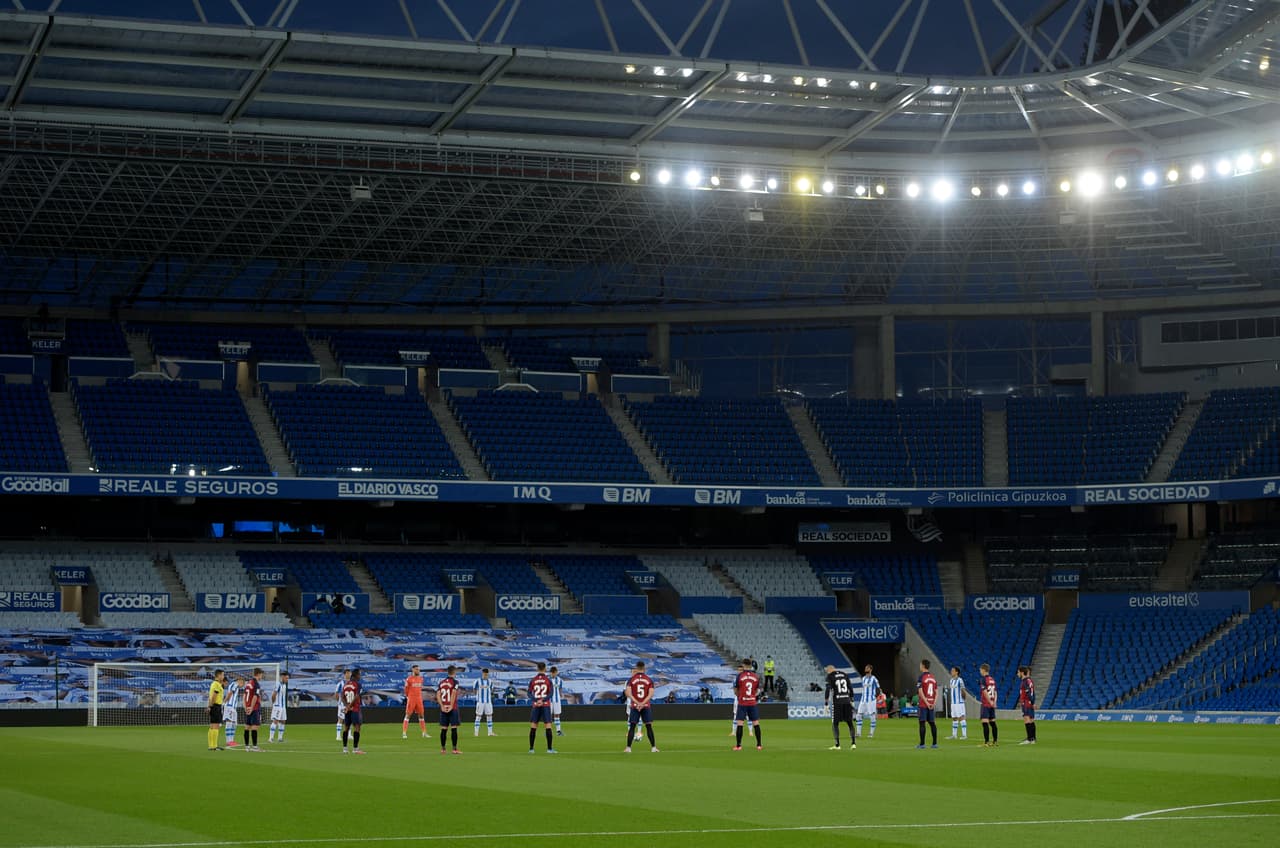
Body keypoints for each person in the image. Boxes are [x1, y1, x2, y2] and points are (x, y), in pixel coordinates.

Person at [624, 660, 659, 753]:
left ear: (636, 668)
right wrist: (643, 703)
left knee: (632, 726)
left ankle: (628, 748)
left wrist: (637, 702)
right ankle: (653, 747)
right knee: (648, 726)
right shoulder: (648, 679)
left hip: (635, 705)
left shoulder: (631, 680)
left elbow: (627, 693)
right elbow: (651, 694)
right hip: (646, 706)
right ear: (644, 668)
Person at [823, 664, 856, 751]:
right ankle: (853, 743)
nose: (827, 672)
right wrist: (852, 699)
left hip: (837, 702)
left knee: (835, 723)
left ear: (830, 670)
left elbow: (828, 689)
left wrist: (826, 703)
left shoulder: (830, 676)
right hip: (847, 700)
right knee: (850, 723)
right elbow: (850, 688)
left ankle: (837, 745)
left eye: (827, 671)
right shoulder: (844, 674)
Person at [733, 658, 763, 751]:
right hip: (752, 702)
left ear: (743, 665)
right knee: (756, 723)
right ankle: (759, 745)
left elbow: (735, 689)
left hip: (743, 702)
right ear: (751, 665)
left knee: (740, 723)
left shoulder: (740, 676)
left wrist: (740, 696)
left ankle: (738, 746)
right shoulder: (755, 676)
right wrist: (753, 696)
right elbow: (757, 690)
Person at [527, 662, 557, 754]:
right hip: (545, 705)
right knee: (548, 726)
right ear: (545, 669)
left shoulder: (533, 680)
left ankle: (531, 749)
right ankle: (549, 749)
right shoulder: (548, 680)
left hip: (536, 705)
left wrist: (536, 700)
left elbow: (529, 693)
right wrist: (543, 700)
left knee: (533, 727)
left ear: (537, 669)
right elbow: (551, 693)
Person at [437, 665, 462, 754]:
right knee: (454, 728)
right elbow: (454, 693)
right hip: (453, 708)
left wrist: (442, 706)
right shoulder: (455, 682)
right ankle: (454, 749)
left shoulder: (441, 682)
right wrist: (451, 706)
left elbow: (438, 695)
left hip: (443, 708)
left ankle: (443, 749)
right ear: (454, 672)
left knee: (444, 729)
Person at [340, 669, 365, 754]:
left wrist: (346, 706)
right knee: (357, 727)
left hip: (348, 709)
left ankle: (345, 749)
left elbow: (342, 696)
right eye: (359, 674)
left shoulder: (346, 684)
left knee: (346, 728)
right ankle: (355, 749)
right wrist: (350, 706)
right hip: (355, 709)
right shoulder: (358, 684)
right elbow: (357, 696)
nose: (360, 676)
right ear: (356, 675)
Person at [916, 659, 939, 749]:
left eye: (920, 665)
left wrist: (926, 702)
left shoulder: (921, 677)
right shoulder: (933, 677)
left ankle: (922, 744)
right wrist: (933, 703)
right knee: (932, 723)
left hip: (923, 704)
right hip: (931, 703)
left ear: (923, 666)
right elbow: (936, 692)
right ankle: (934, 743)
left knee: (922, 723)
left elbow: (920, 691)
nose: (920, 666)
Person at [242, 667, 264, 751]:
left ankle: (247, 747)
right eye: (261, 674)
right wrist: (251, 707)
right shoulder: (256, 684)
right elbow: (255, 696)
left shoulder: (248, 683)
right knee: (255, 726)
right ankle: (255, 747)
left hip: (247, 707)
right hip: (254, 708)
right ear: (258, 674)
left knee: (247, 726)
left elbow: (244, 696)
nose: (262, 676)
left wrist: (245, 707)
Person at [403, 664, 427, 739]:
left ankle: (424, 733)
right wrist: (408, 697)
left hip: (419, 699)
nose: (418, 671)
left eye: (419, 669)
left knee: (421, 715)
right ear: (413, 670)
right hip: (411, 698)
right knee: (408, 715)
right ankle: (404, 733)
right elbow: (406, 690)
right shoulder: (409, 679)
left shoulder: (421, 679)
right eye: (416, 669)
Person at [856, 663, 880, 739]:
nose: (866, 669)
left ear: (870, 670)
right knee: (858, 715)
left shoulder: (874, 679)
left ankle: (871, 733)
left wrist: (874, 697)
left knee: (872, 716)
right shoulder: (863, 679)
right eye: (865, 668)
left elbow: (878, 689)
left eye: (867, 668)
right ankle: (858, 733)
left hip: (871, 700)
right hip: (863, 700)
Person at [978, 662, 999, 747]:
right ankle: (995, 741)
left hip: (986, 704)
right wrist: (994, 702)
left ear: (983, 670)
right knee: (993, 722)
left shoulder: (983, 679)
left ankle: (986, 742)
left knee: (985, 722)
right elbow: (995, 692)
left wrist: (989, 701)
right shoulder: (992, 679)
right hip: (992, 704)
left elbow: (984, 691)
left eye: (980, 670)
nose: (980, 671)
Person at [1017, 665, 1037, 745]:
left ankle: (1029, 739)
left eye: (1018, 672)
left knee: (1027, 719)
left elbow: (1028, 692)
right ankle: (1033, 738)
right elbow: (1033, 693)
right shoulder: (1030, 680)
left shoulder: (1025, 681)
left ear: (1022, 673)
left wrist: (1032, 702)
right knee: (1031, 720)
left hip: (1026, 702)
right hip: (1029, 702)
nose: (1017, 674)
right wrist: (1033, 702)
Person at [947, 666, 968, 741]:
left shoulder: (960, 680)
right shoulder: (951, 680)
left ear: (957, 672)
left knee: (961, 717)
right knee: (954, 718)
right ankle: (954, 735)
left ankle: (964, 735)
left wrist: (964, 698)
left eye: (952, 671)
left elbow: (963, 690)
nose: (951, 671)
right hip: (953, 703)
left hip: (959, 702)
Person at [473, 668, 496, 737]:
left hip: (488, 702)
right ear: (482, 673)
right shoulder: (477, 681)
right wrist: (478, 696)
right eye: (484, 673)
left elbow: (492, 690)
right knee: (478, 716)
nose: (485, 675)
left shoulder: (490, 681)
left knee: (489, 716)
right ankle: (476, 733)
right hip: (480, 702)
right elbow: (474, 690)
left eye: (487, 674)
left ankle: (490, 732)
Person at [206, 669, 225, 751]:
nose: (223, 677)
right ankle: (214, 746)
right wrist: (211, 706)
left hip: (213, 706)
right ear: (219, 675)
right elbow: (214, 696)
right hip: (216, 706)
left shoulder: (213, 684)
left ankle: (211, 745)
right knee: (216, 726)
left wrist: (209, 706)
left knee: (212, 726)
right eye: (223, 675)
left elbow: (210, 696)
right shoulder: (217, 684)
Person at [269, 670, 289, 743]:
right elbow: (273, 695)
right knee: (275, 721)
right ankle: (270, 738)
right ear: (282, 677)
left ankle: (280, 738)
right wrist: (274, 704)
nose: (287, 680)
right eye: (286, 678)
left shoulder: (284, 685)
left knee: (283, 721)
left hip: (283, 707)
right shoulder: (278, 684)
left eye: (288, 678)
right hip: (278, 706)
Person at [222, 673, 241, 748]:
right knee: (229, 722)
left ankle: (232, 740)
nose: (243, 684)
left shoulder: (236, 686)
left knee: (233, 724)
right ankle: (228, 741)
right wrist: (224, 702)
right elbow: (230, 693)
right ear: (239, 681)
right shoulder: (234, 684)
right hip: (229, 706)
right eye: (242, 682)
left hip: (233, 708)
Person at [335, 669, 352, 741]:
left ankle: (349, 735)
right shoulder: (340, 684)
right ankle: (338, 736)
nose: (348, 674)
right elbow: (336, 694)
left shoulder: (353, 683)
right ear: (344, 674)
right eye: (347, 673)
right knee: (341, 719)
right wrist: (339, 702)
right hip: (342, 704)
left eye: (349, 673)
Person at [549, 666, 565, 736]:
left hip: (557, 700)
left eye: (555, 673)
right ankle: (548, 730)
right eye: (553, 673)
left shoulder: (559, 680)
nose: (554, 674)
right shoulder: (548, 680)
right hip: (549, 700)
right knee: (548, 715)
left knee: (557, 715)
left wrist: (561, 695)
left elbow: (560, 688)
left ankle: (558, 730)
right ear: (551, 673)